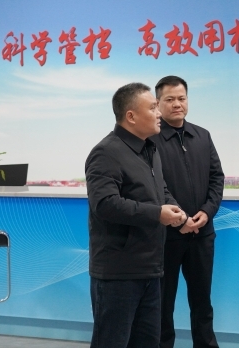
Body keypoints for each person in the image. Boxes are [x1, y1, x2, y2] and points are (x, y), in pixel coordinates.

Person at [86, 82, 187, 348]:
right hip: (118, 273)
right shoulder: (106, 152)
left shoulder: (149, 149)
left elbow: (160, 190)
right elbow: (105, 204)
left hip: (150, 269)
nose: (159, 113)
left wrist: (175, 211)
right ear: (131, 116)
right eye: (153, 108)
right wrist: (157, 214)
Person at [150, 75, 224, 348]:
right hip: (166, 237)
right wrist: (180, 219)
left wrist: (207, 212)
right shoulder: (150, 139)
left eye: (181, 98)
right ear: (158, 103)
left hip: (202, 235)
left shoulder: (202, 135)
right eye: (170, 99)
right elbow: (154, 185)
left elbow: (217, 178)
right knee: (162, 304)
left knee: (202, 302)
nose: (177, 104)